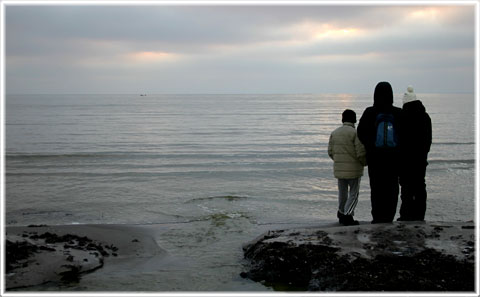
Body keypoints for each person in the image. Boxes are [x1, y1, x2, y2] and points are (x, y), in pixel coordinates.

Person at [357, 82, 402, 223]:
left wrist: (371, 146)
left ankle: (377, 216)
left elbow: (360, 132)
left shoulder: (370, 112)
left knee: (376, 188)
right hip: (394, 159)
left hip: (375, 158)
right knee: (392, 187)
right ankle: (389, 216)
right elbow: (405, 135)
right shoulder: (398, 112)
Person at [398, 86, 432, 221]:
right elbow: (428, 139)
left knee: (406, 188)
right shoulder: (425, 117)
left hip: (405, 159)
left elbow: (399, 138)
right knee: (419, 186)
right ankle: (419, 214)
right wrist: (424, 153)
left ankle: (406, 214)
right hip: (420, 158)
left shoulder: (402, 116)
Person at [328, 109, 366, 226]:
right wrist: (364, 163)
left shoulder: (335, 133)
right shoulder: (355, 133)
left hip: (340, 169)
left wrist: (339, 161)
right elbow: (360, 153)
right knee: (354, 193)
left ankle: (341, 212)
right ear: (354, 120)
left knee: (342, 193)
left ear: (342, 119)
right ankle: (347, 215)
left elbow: (330, 151)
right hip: (354, 169)